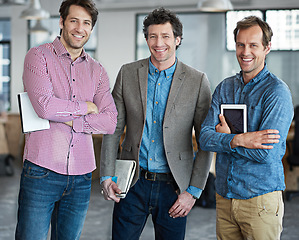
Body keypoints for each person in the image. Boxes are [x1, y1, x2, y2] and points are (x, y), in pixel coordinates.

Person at [100, 7, 212, 240]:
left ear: (177, 39)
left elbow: (206, 141)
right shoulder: (128, 73)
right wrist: (107, 175)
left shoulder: (197, 81)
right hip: (131, 184)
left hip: (174, 187)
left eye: (165, 36)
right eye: (153, 36)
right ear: (146, 39)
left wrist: (193, 191)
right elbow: (113, 127)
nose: (158, 42)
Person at [15, 0, 117, 239]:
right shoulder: (38, 56)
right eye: (74, 21)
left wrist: (74, 120)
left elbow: (110, 121)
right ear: (61, 22)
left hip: (82, 176)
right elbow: (44, 106)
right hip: (42, 170)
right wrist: (87, 107)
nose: (79, 28)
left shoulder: (97, 70)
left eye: (86, 23)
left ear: (91, 29)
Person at [199, 16, 294, 240]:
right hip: (225, 198)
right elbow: (204, 138)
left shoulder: (276, 93)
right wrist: (239, 140)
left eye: (253, 45)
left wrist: (225, 140)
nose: (245, 52)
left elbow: (265, 153)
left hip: (259, 200)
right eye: (240, 44)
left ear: (267, 48)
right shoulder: (225, 88)